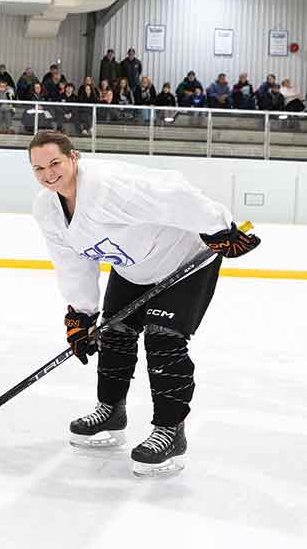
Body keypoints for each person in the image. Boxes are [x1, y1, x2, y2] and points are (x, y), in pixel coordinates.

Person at [28, 130, 259, 476]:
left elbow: (171, 194)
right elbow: (73, 261)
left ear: (73, 157)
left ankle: (170, 430)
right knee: (115, 332)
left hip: (184, 259)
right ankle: (111, 411)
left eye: (55, 163)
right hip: (132, 267)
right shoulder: (47, 209)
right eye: (38, 168)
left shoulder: (108, 185)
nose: (48, 173)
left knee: (163, 337)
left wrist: (217, 227)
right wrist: (82, 313)